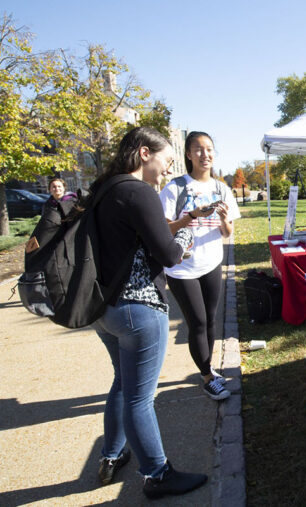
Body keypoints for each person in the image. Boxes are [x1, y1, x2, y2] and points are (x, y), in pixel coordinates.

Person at [89, 127, 207, 498]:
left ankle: (111, 455)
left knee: (123, 385)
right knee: (140, 397)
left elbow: (135, 240)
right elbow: (169, 254)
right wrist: (190, 231)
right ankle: (157, 474)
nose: (168, 170)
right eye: (166, 161)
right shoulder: (139, 191)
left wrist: (178, 224)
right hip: (139, 308)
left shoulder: (103, 190)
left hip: (104, 310)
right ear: (144, 153)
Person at [159, 131, 241, 401]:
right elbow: (162, 230)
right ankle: (207, 378)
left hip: (212, 263)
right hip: (182, 268)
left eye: (209, 149)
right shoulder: (175, 188)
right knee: (197, 322)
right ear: (188, 154)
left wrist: (224, 219)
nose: (205, 154)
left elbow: (227, 233)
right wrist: (192, 215)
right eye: (198, 149)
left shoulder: (222, 189)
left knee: (210, 320)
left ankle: (209, 369)